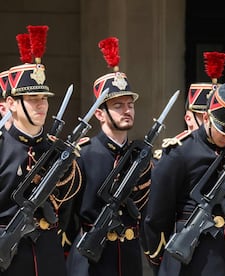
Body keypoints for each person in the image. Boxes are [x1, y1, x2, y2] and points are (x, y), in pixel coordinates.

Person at [144, 73, 225, 276]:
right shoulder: (179, 153)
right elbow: (156, 217)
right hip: (194, 264)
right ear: (206, 117)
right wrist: (164, 263)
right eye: (223, 129)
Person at [67, 37, 151, 276]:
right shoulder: (84, 155)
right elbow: (68, 217)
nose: (127, 110)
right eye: (117, 106)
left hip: (129, 258)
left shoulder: (139, 156)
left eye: (129, 104)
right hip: (92, 262)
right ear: (100, 115)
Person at [0, 25, 79, 276]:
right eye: (32, 99)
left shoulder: (56, 149)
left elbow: (69, 211)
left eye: (43, 98)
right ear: (11, 103)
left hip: (50, 258)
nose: (41, 105)